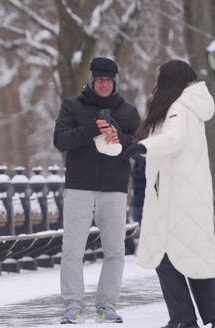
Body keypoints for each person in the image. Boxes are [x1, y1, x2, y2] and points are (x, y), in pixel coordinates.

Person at [122, 60, 215, 328]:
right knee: (193, 258)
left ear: (170, 81)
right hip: (185, 197)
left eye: (159, 78)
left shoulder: (178, 109)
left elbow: (174, 140)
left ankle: (184, 319)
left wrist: (143, 148)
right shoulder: (187, 106)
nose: (156, 84)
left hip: (175, 200)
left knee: (166, 258)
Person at [53, 57, 141, 324]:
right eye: (99, 79)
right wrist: (91, 129)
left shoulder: (128, 112)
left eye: (108, 80)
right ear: (92, 80)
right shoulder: (72, 106)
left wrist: (121, 138)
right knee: (72, 250)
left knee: (115, 250)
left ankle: (107, 305)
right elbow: (60, 141)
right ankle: (73, 306)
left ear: (115, 82)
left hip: (114, 189)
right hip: (79, 187)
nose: (104, 84)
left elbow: (139, 148)